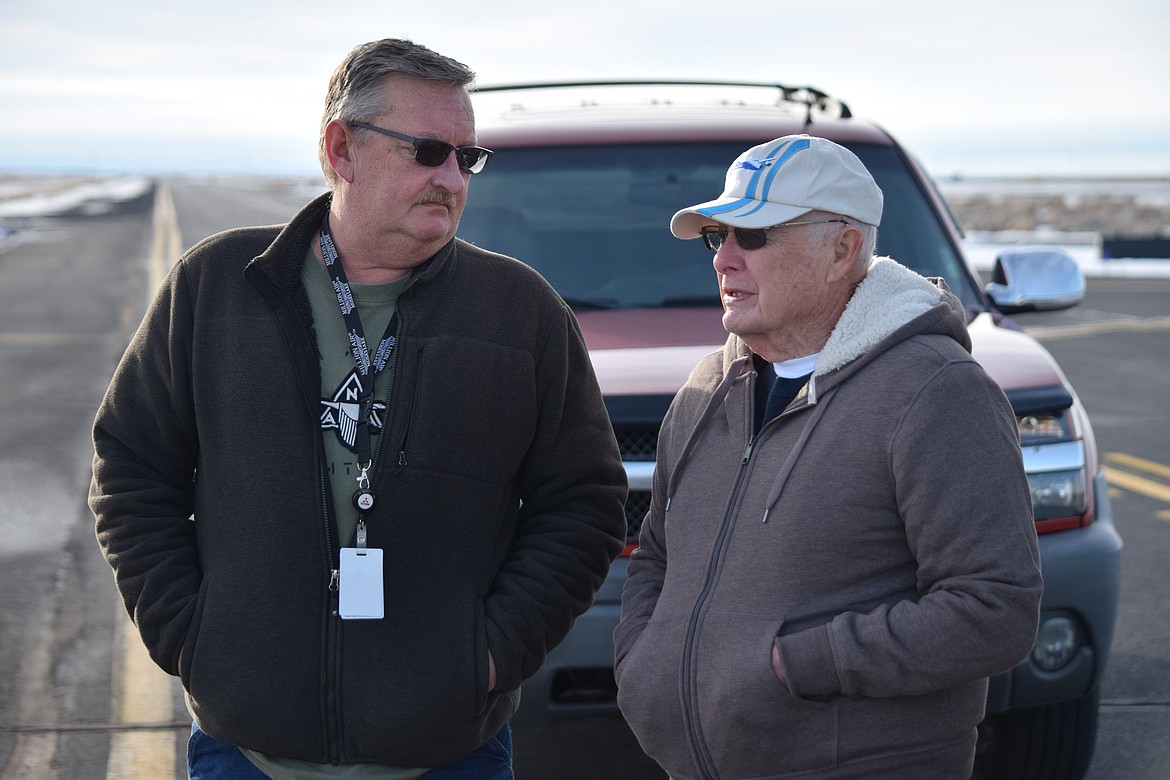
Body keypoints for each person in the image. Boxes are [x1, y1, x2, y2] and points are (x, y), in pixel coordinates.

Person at [90, 38, 627, 779]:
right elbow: (131, 469)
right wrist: (189, 638)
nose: (451, 178)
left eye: (465, 158)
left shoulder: (520, 312)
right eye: (429, 151)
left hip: (451, 753)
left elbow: (585, 502)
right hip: (248, 749)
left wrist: (493, 653)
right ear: (342, 149)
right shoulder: (216, 286)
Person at [613, 134, 1042, 779]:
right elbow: (659, 554)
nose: (725, 260)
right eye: (717, 237)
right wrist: (642, 664)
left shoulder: (936, 391)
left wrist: (804, 664)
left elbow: (995, 608)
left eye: (752, 237)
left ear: (842, 251)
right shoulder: (706, 388)